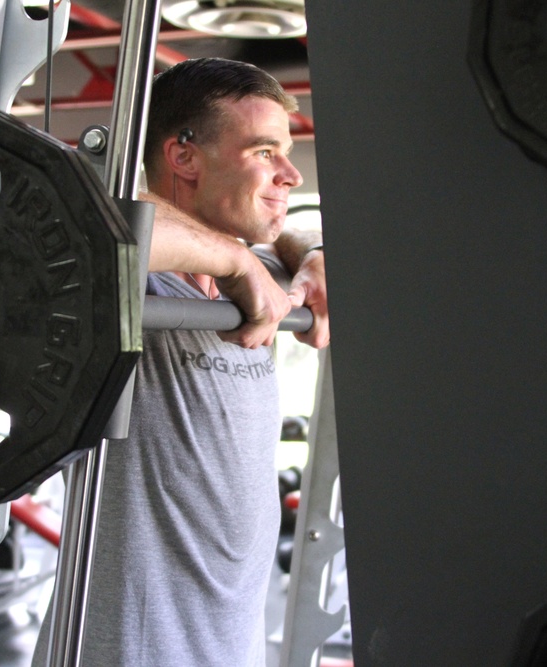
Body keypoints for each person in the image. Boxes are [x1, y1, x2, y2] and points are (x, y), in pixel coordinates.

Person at [35, 57, 328, 666]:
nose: (291, 173)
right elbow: (87, 218)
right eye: (264, 152)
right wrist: (239, 260)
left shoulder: (269, 282)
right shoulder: (125, 280)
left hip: (233, 646)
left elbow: (299, 235)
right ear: (184, 157)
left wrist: (308, 252)